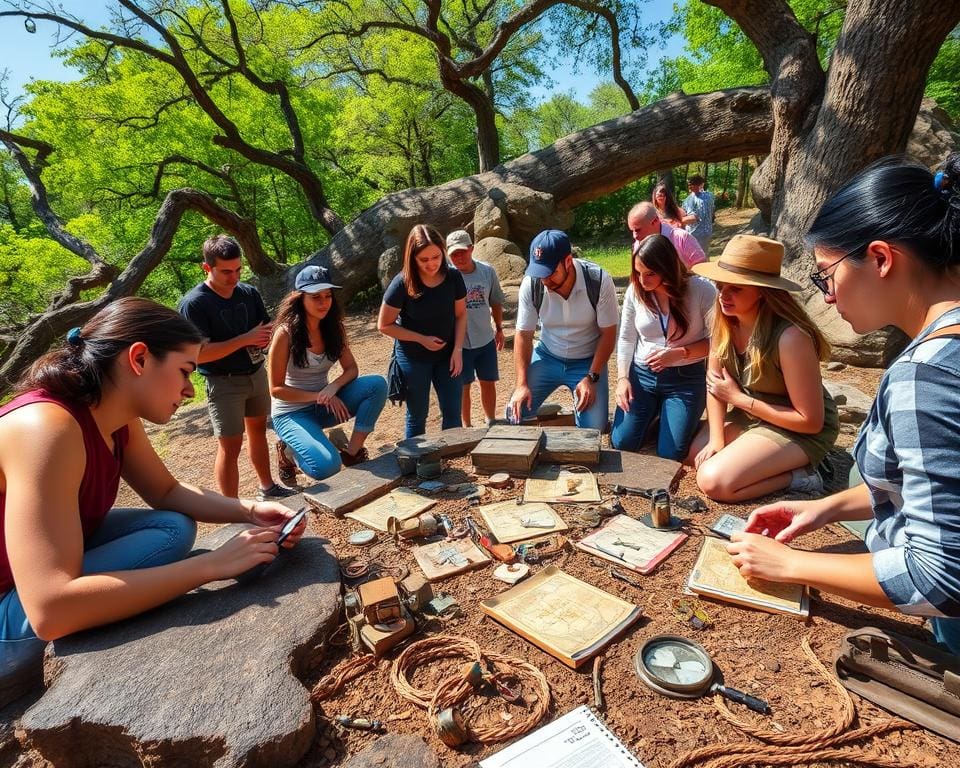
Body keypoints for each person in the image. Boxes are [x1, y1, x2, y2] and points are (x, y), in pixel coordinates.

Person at [0, 298, 306, 705]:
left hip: (39, 573)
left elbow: (165, 492)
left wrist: (249, 509)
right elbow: (49, 611)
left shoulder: (112, 414)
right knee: (165, 544)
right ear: (139, 358)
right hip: (13, 613)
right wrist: (210, 566)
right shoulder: (46, 428)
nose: (188, 389)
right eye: (184, 371)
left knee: (172, 526)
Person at [727, 154, 960, 655]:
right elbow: (937, 490)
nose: (826, 296)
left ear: (880, 258)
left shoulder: (928, 375)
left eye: (825, 275)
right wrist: (825, 508)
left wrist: (791, 565)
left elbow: (941, 576)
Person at [686, 234, 838, 502]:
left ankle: (803, 476)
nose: (724, 294)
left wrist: (739, 399)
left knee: (713, 482)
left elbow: (810, 421)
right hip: (755, 415)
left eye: (737, 288)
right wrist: (717, 439)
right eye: (721, 285)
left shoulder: (790, 338)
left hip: (797, 428)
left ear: (762, 291)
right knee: (696, 454)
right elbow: (715, 386)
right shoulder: (723, 322)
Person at [178, 234, 293, 501]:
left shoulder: (249, 293)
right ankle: (230, 507)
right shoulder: (194, 303)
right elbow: (197, 355)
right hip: (223, 382)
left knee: (258, 434)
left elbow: (264, 329)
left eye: (239, 269)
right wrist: (246, 339)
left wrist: (265, 337)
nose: (234, 277)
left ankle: (268, 487)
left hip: (255, 373)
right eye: (226, 271)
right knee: (229, 445)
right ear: (207, 268)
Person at [269, 265, 387, 483]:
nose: (324, 303)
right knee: (326, 467)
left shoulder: (335, 327)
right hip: (291, 413)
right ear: (300, 298)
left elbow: (351, 368)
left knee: (377, 385)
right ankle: (288, 453)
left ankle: (352, 453)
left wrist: (332, 387)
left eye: (328, 296)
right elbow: (276, 390)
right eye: (316, 297)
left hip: (324, 404)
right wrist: (320, 396)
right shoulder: (285, 333)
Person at [611, 234, 716, 460]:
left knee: (670, 453)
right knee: (621, 442)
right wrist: (622, 379)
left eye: (650, 273)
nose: (641, 280)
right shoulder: (635, 292)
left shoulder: (701, 290)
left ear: (667, 268)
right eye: (637, 273)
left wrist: (680, 353)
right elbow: (627, 338)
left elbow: (719, 341)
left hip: (684, 378)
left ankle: (669, 415)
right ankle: (654, 413)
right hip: (642, 375)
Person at [507, 229, 619, 431]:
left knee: (593, 429)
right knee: (514, 413)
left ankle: (583, 413)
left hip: (587, 361)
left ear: (568, 261)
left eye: (550, 273)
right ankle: (543, 410)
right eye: (539, 274)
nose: (545, 281)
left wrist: (591, 376)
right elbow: (523, 335)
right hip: (547, 356)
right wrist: (521, 384)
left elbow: (609, 333)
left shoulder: (598, 280)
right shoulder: (532, 284)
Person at [378, 224, 467, 439]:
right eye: (424, 260)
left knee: (453, 413)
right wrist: (421, 339)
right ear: (412, 258)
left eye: (436, 257)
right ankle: (416, 463)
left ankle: (452, 460)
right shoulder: (402, 283)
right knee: (417, 415)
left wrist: (457, 350)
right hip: (413, 357)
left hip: (447, 356)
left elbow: (461, 314)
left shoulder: (453, 277)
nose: (432, 264)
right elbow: (384, 325)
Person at [445, 230, 505, 428]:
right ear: (447, 254)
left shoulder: (487, 271)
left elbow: (495, 301)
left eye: (462, 252)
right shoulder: (445, 276)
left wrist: (499, 328)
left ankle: (491, 420)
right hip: (458, 343)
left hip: (485, 338)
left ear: (471, 249)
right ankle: (467, 426)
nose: (458, 257)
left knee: (488, 381)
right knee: (463, 386)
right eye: (454, 254)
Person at [627, 201, 706, 270]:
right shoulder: (638, 244)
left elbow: (702, 268)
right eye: (632, 231)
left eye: (637, 230)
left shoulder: (681, 238)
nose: (635, 236)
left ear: (655, 221)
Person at [682, 174, 716, 253]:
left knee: (696, 256)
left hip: (695, 234)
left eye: (691, 184)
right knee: (704, 254)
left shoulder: (691, 199)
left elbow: (693, 218)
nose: (689, 186)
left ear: (697, 185)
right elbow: (712, 212)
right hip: (708, 231)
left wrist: (678, 220)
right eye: (689, 184)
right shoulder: (710, 195)